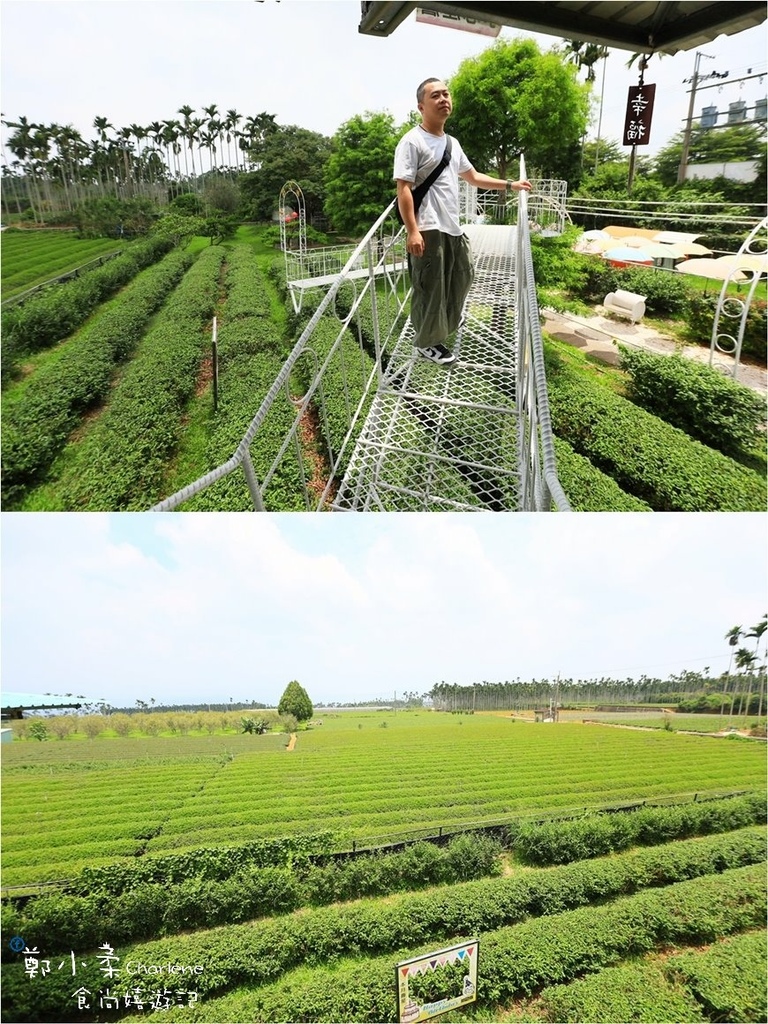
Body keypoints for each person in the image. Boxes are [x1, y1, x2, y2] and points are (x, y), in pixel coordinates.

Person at [393, 78, 531, 365]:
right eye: (435, 95)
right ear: (421, 106)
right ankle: (427, 343)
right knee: (430, 287)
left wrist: (511, 184)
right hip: (428, 227)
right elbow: (403, 188)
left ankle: (448, 323)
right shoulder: (412, 141)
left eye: (446, 93)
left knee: (463, 276)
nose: (443, 98)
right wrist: (412, 231)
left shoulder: (452, 144)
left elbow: (474, 177)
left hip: (453, 227)